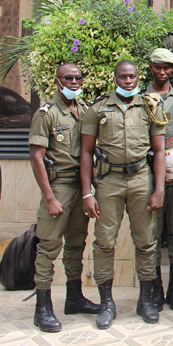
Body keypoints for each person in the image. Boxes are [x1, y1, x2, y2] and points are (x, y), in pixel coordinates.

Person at [80, 60, 166, 329]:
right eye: (123, 77)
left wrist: (159, 189)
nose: (128, 81)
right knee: (104, 241)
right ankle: (106, 302)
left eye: (132, 77)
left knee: (146, 241)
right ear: (115, 78)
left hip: (141, 178)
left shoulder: (150, 106)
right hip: (109, 181)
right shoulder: (98, 108)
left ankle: (146, 300)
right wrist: (86, 193)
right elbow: (85, 151)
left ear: (138, 77)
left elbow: (160, 151)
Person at [29, 62, 100, 332]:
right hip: (57, 187)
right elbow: (36, 156)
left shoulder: (83, 110)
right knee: (48, 248)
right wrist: (48, 197)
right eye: (68, 78)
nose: (74, 82)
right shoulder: (46, 114)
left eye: (78, 77)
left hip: (80, 187)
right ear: (58, 81)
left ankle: (74, 297)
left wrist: (90, 190)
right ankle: (42, 308)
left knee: (75, 244)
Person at [145, 49, 173, 311]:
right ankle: (154, 288)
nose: (163, 72)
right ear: (151, 67)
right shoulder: (141, 98)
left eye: (168, 68)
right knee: (152, 233)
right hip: (148, 174)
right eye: (158, 67)